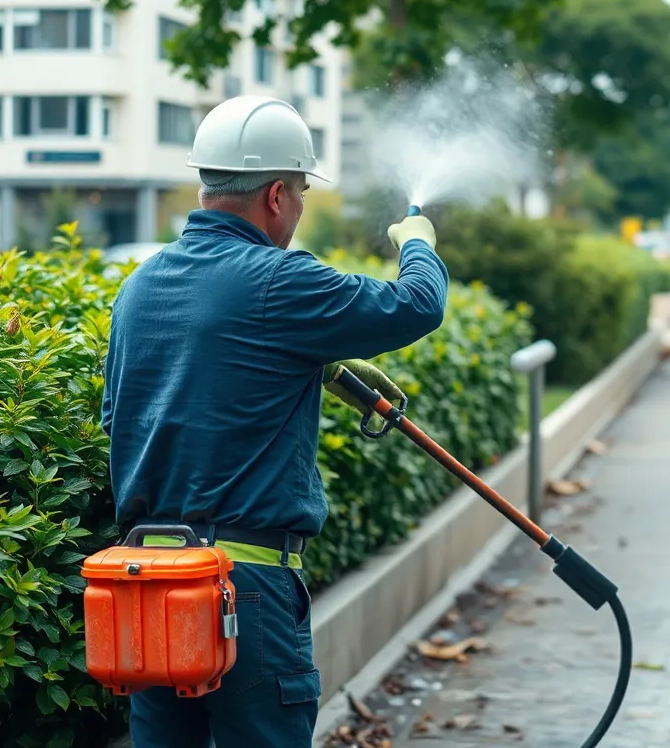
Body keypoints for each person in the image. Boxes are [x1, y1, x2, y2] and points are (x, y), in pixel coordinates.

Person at [100, 95, 448, 747]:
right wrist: (418, 243)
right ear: (279, 195)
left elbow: (123, 417)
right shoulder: (279, 280)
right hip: (243, 592)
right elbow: (416, 306)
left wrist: (304, 367)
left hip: (144, 588)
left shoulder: (139, 287)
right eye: (303, 195)